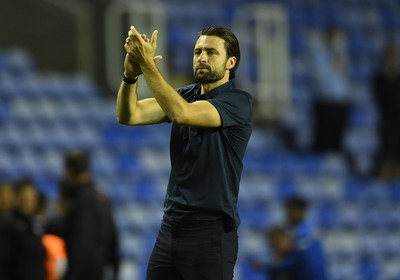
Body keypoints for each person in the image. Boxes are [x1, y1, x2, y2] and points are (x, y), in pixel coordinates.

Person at [117, 25, 253, 280]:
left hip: (209, 233)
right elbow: (129, 114)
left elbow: (183, 113)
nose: (202, 57)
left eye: (211, 52)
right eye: (197, 51)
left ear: (230, 62)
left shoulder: (238, 103)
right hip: (171, 227)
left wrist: (147, 64)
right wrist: (129, 76)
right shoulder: (186, 95)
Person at [46, 150, 120, 280]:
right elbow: (113, 235)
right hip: (98, 269)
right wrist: (115, 266)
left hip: (80, 271)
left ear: (69, 170)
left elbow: (82, 240)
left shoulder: (79, 201)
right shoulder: (101, 198)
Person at [308, 26, 353, 155]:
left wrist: (339, 49)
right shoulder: (319, 54)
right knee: (324, 138)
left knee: (338, 137)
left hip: (341, 101)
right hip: (325, 101)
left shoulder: (339, 52)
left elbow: (342, 66)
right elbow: (320, 75)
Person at [0, 178, 47, 280]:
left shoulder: (36, 224)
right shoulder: (8, 224)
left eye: (31, 199)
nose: (28, 203)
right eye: (25, 199)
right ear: (17, 199)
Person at [371, 41, 400, 181]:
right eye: (389, 57)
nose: (392, 60)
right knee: (387, 157)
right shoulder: (380, 79)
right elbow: (382, 98)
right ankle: (383, 185)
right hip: (388, 124)